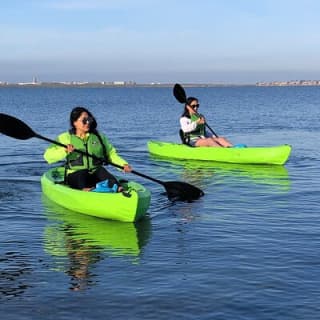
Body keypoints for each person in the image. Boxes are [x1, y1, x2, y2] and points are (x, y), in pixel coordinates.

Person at [44, 106, 132, 192]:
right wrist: (64, 151)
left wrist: (123, 165)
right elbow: (48, 157)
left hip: (95, 174)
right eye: (84, 120)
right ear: (75, 123)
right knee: (82, 173)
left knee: (101, 171)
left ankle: (118, 189)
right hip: (75, 175)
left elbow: (111, 154)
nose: (88, 123)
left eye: (89, 120)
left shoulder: (99, 137)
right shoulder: (65, 138)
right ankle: (85, 191)